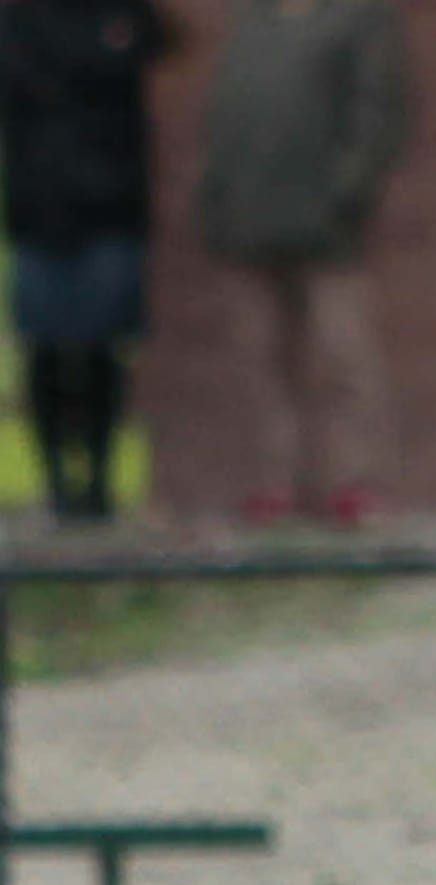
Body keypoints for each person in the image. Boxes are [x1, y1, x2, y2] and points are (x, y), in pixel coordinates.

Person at [197, 0, 410, 523]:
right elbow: (227, 115)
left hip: (328, 230)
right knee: (261, 361)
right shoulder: (253, 24)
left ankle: (356, 483)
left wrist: (343, 195)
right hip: (249, 224)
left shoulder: (359, 19)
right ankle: (274, 484)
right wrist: (218, 198)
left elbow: (378, 112)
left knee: (343, 357)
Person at [0, 0, 177, 524]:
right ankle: (57, 483)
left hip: (110, 209)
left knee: (103, 351)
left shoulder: (122, 13)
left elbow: (157, 45)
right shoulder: (20, 17)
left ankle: (98, 484)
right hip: (38, 211)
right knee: (45, 352)